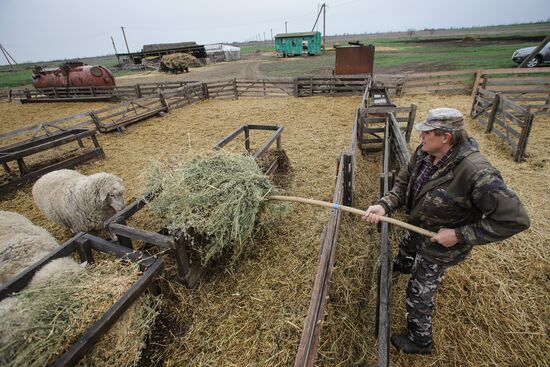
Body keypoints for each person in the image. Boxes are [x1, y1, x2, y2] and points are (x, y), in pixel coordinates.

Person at [362, 107, 530, 354]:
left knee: (418, 293)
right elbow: (404, 183)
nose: (421, 137)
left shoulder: (477, 172)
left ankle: (420, 341)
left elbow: (515, 220)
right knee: (406, 246)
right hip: (418, 226)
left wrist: (459, 235)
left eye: (426, 133)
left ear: (445, 137)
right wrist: (385, 205)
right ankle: (405, 262)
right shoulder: (424, 153)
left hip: (440, 246)